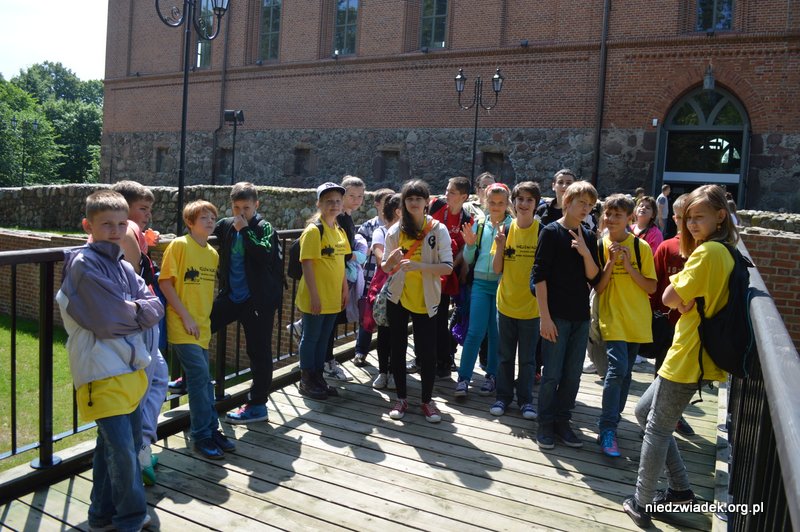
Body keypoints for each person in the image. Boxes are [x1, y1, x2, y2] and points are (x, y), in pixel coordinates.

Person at [623, 185, 736, 528]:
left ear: (720, 216)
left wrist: (680, 293)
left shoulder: (708, 252)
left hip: (690, 355)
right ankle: (681, 489)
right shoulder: (723, 250)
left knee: (657, 429)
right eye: (688, 218)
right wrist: (684, 296)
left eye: (699, 217)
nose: (691, 224)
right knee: (644, 412)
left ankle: (642, 502)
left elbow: (669, 297)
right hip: (686, 351)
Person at [56, 190, 163, 531]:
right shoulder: (83, 265)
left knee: (112, 449)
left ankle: (100, 517)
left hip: (129, 372)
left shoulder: (122, 264)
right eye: (106, 224)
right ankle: (131, 517)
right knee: (123, 452)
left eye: (120, 224)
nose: (115, 231)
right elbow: (107, 321)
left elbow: (155, 305)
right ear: (88, 225)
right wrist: (137, 311)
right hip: (101, 373)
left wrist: (132, 309)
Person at [159, 200, 236, 459]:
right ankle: (202, 435)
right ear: (190, 222)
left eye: (212, 217)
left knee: (204, 380)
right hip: (183, 325)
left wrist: (201, 321)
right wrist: (186, 318)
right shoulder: (179, 246)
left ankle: (210, 429)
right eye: (203, 217)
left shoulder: (212, 254)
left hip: (202, 327)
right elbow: (166, 284)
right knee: (200, 378)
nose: (210, 221)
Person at [532, 181, 601, 450]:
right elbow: (539, 277)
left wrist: (585, 252)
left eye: (590, 205)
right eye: (582, 202)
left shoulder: (589, 236)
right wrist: (544, 317)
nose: (586, 209)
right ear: (568, 201)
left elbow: (594, 276)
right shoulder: (550, 232)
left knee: (573, 375)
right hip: (556, 316)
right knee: (551, 374)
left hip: (580, 316)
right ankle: (545, 423)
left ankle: (563, 421)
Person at [109, 180, 167, 485]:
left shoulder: (129, 232)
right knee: (146, 383)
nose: (147, 215)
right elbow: (130, 282)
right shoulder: (129, 228)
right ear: (124, 207)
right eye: (143, 208)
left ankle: (140, 446)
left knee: (157, 376)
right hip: (140, 321)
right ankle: (138, 451)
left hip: (137, 322)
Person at [211, 182, 283, 425]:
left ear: (256, 205)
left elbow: (264, 254)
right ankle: (192, 379)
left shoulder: (264, 227)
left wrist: (245, 230)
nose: (241, 213)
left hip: (257, 301)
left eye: (246, 208)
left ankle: (257, 405)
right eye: (236, 208)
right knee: (199, 328)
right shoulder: (226, 225)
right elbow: (204, 231)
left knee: (258, 352)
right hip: (232, 297)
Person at [382, 179, 453, 423]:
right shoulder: (395, 231)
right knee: (397, 347)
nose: (414, 203)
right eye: (409, 199)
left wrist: (418, 266)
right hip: (398, 296)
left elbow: (447, 267)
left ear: (426, 202)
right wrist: (390, 261)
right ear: (403, 202)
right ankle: (401, 398)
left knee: (427, 351)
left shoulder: (438, 230)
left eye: (418, 199)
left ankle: (427, 400)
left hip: (426, 297)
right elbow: (386, 267)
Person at [595, 194, 657, 458]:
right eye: (608, 214)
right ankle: (607, 427)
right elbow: (598, 287)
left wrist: (629, 265)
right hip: (611, 317)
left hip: (636, 319)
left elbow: (651, 287)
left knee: (626, 373)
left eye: (617, 215)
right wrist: (611, 262)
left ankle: (613, 420)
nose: (611, 219)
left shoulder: (641, 248)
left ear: (629, 218)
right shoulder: (600, 245)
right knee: (616, 370)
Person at [454, 183, 513, 398]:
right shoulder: (479, 224)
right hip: (479, 282)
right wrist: (469, 245)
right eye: (492, 202)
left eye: (500, 203)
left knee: (496, 333)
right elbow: (469, 259)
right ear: (486, 202)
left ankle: (492, 376)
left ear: (507, 204)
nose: (496, 206)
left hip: (501, 284)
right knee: (475, 332)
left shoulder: (512, 226)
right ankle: (464, 378)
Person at [489, 181, 541, 419]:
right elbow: (496, 268)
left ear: (536, 204)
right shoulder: (506, 230)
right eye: (520, 199)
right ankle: (503, 397)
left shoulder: (543, 232)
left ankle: (526, 400)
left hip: (532, 307)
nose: (524, 204)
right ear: (514, 202)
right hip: (506, 304)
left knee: (528, 360)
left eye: (529, 200)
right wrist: (500, 246)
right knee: (505, 357)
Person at [295, 182, 351, 400]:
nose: (334, 205)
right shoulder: (314, 231)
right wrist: (315, 296)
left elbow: (341, 263)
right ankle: (306, 380)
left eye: (337, 201)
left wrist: (344, 289)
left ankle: (318, 378)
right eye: (329, 201)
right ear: (319, 203)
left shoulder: (339, 230)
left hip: (333, 296)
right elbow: (307, 265)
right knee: (311, 338)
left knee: (324, 338)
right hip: (316, 296)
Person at [648, 193, 694, 436]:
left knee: (684, 375)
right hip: (667, 321)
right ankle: (655, 417)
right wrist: (652, 312)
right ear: (675, 218)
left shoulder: (705, 249)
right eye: (682, 217)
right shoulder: (667, 247)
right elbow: (655, 282)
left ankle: (674, 415)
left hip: (693, 325)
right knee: (663, 371)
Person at [429, 176, 473, 378]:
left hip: (447, 274)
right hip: (427, 268)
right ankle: (426, 358)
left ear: (464, 197)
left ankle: (443, 361)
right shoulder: (436, 206)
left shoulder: (467, 220)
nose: (446, 194)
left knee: (439, 317)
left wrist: (450, 266)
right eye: (447, 190)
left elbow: (464, 248)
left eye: (452, 192)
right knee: (426, 315)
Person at [323, 175, 365, 381]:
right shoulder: (340, 219)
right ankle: (326, 361)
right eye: (352, 196)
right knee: (329, 322)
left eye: (360, 196)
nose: (356, 200)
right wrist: (355, 255)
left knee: (332, 321)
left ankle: (326, 360)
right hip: (336, 276)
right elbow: (341, 251)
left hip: (341, 274)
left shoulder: (346, 218)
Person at [353, 188, 395, 367]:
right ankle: (360, 352)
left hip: (391, 280)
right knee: (367, 317)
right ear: (377, 204)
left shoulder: (399, 226)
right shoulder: (369, 227)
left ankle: (388, 360)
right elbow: (359, 250)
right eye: (387, 201)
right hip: (371, 278)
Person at [370, 193, 402, 389]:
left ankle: (394, 371)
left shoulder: (410, 232)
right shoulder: (381, 232)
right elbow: (382, 260)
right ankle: (383, 371)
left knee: (398, 331)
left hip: (404, 285)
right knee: (384, 330)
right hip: (385, 286)